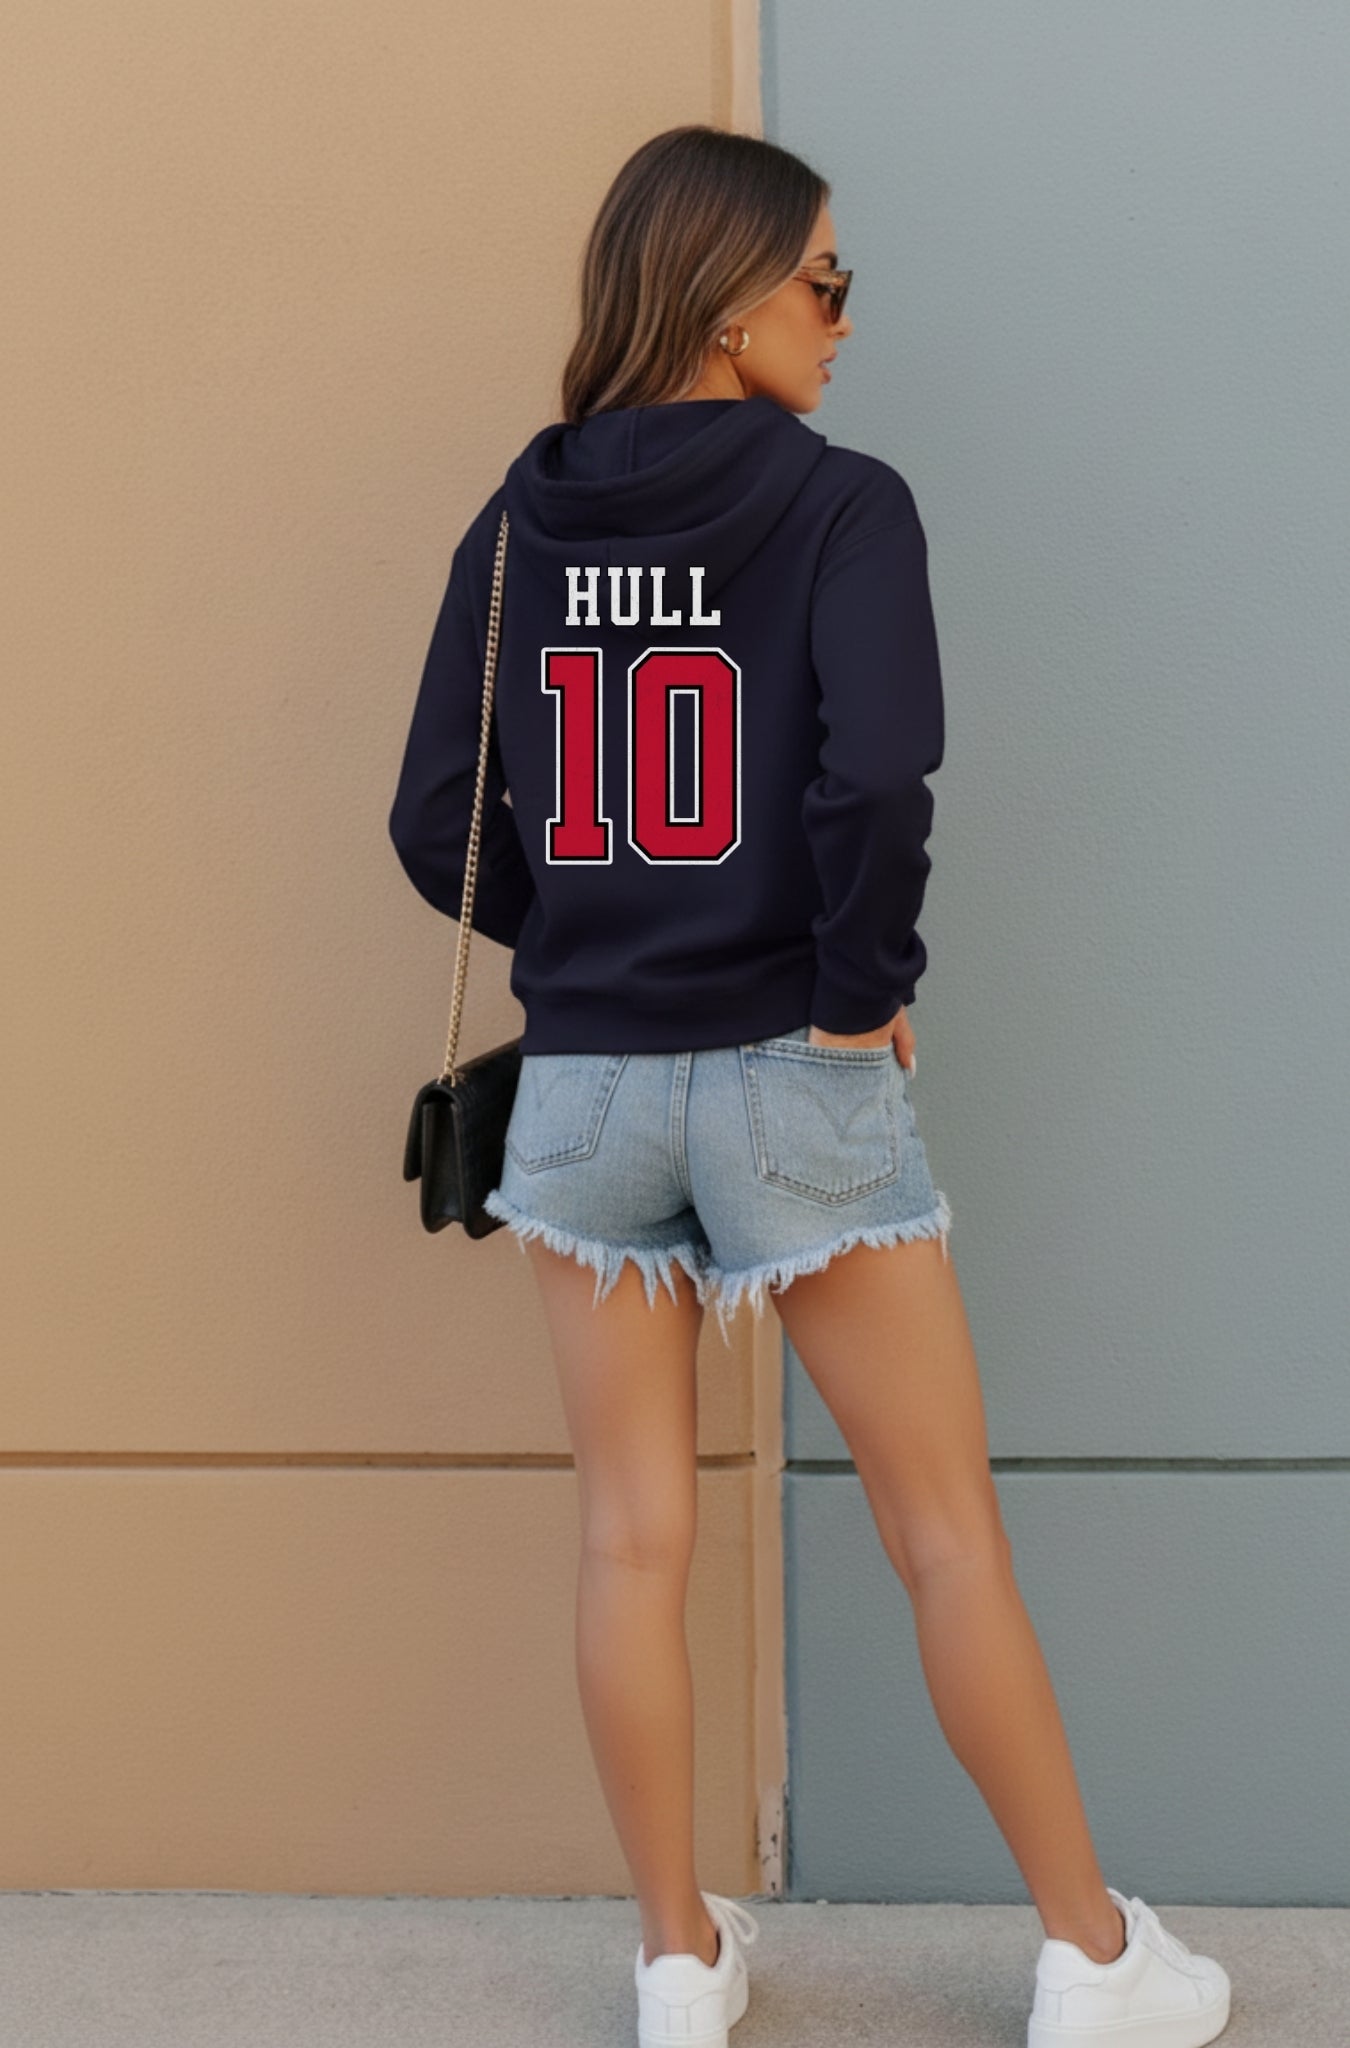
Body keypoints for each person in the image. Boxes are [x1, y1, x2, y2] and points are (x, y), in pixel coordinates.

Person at [389, 124, 1231, 2048]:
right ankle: (1093, 1959)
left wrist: (588, 934)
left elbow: (437, 816)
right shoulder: (840, 503)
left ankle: (675, 1963)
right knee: (940, 1532)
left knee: (628, 1539)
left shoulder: (517, 522)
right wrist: (858, 990)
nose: (842, 319)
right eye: (823, 281)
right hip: (790, 1063)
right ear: (725, 296)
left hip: (585, 1086)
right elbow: (875, 775)